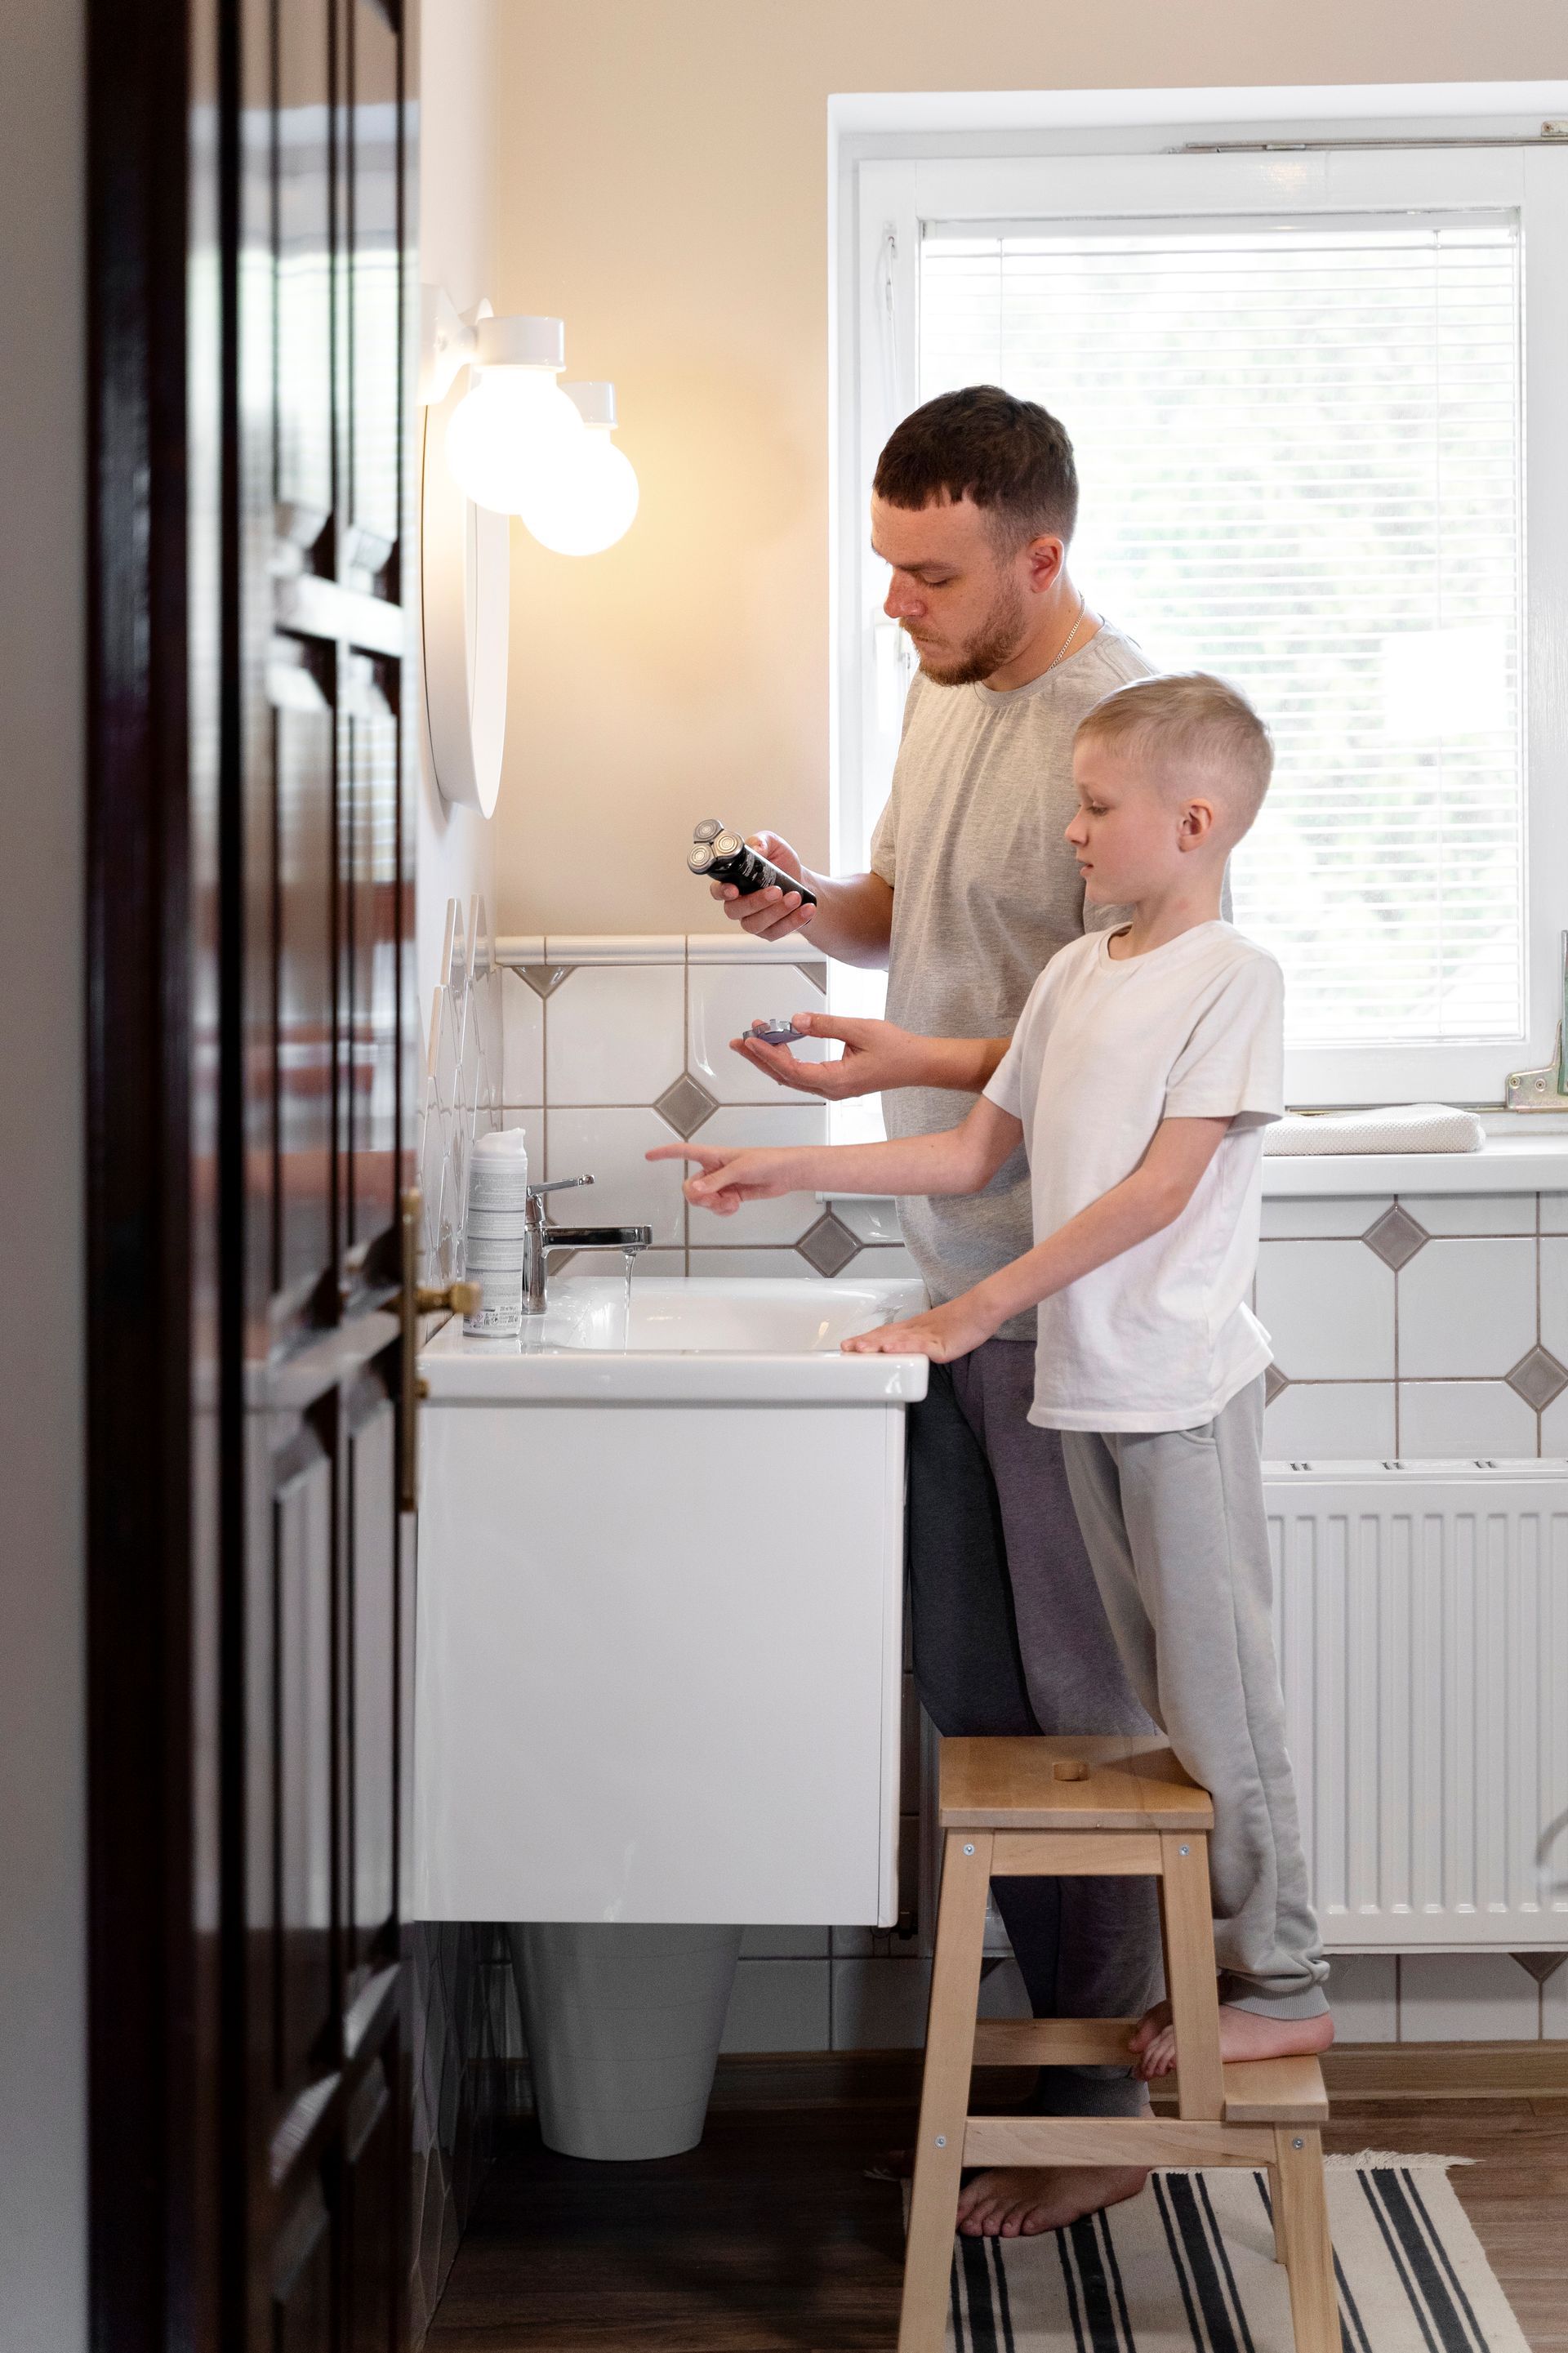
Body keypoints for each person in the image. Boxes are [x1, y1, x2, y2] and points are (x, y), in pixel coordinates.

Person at [656, 674, 1332, 2214]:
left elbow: (1154, 1193)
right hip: (1088, 1385)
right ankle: (1193, 1982)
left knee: (1218, 1690)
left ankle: (1283, 1970)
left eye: (1096, 809)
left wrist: (974, 1319)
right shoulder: (1082, 974)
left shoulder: (1236, 977)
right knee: (1146, 1713)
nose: (1073, 830)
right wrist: (775, 1165)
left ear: (1195, 822)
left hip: (1177, 1388)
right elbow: (976, 1148)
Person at [702, 385, 1167, 2239]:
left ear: (1039, 555)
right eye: (886, 564)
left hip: (1071, 1295)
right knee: (974, 1699)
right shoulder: (948, 686)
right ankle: (1037, 2079)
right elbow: (913, 911)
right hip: (949, 1277)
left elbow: (1124, 1030)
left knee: (1084, 1706)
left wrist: (907, 1054)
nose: (894, 600)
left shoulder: (1119, 735)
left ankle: (1106, 2108)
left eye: (930, 571)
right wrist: (810, 914)